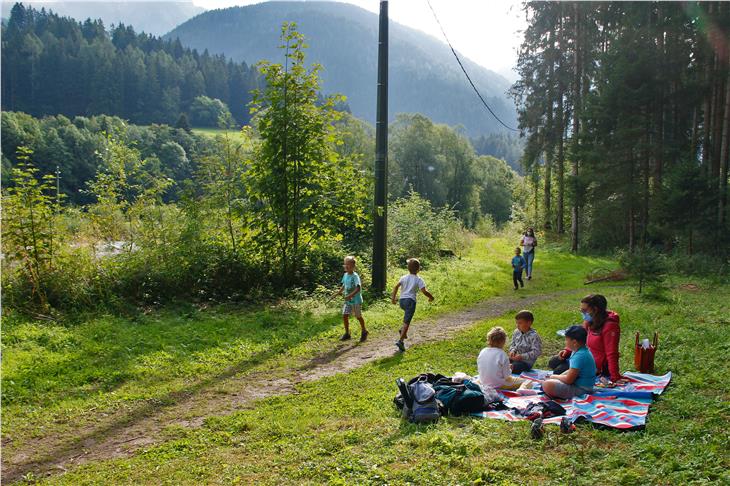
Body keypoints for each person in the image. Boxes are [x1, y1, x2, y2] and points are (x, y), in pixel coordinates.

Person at [548, 294, 624, 383]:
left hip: (595, 364)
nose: (582, 313)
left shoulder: (610, 326)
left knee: (558, 371)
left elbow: (612, 353)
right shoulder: (589, 321)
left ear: (595, 309)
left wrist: (615, 377)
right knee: (553, 362)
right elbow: (578, 337)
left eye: (584, 310)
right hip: (584, 356)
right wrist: (567, 350)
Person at [542, 325, 596, 399]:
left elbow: (568, 380)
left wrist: (553, 376)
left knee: (547, 385)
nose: (565, 342)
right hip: (581, 385)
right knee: (552, 379)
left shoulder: (579, 356)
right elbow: (571, 370)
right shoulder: (580, 350)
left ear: (574, 342)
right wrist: (557, 378)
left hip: (582, 389)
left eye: (566, 340)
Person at [391, 258, 434, 352]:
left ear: (408, 268)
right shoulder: (418, 279)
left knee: (406, 319)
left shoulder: (403, 277)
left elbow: (395, 287)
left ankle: (402, 331)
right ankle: (401, 341)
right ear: (418, 269)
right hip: (410, 302)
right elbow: (424, 291)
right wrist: (431, 297)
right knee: (407, 322)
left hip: (402, 301)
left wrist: (393, 298)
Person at [477, 326, 526, 391]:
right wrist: (510, 369)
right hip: (499, 384)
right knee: (527, 382)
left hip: (483, 382)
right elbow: (507, 376)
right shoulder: (502, 354)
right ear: (503, 341)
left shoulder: (483, 351)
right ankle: (522, 389)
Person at [335, 256, 368, 342]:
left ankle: (364, 331)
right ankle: (347, 333)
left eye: (348, 264)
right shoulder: (345, 275)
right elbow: (344, 285)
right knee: (345, 315)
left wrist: (350, 295)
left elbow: (358, 288)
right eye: (345, 264)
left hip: (356, 301)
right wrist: (339, 291)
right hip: (348, 301)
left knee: (358, 316)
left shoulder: (355, 276)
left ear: (353, 266)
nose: (345, 266)